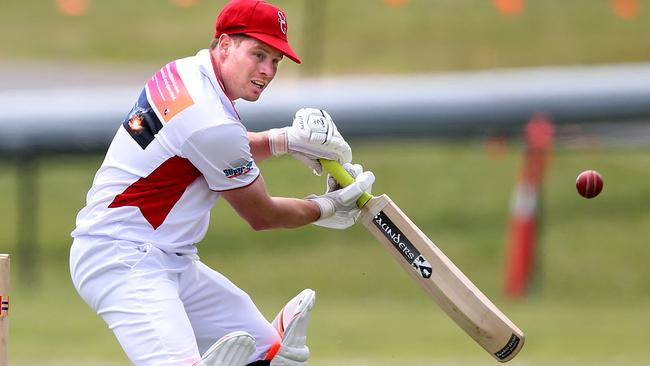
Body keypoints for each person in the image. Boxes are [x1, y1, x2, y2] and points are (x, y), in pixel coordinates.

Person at [68, 0, 374, 365]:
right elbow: (262, 214)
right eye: (258, 54)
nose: (267, 70)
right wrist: (325, 208)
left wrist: (284, 141)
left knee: (270, 353)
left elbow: (205, 154)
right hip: (122, 256)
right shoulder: (211, 120)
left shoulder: (186, 72)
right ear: (225, 44)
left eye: (275, 60)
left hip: (170, 257)